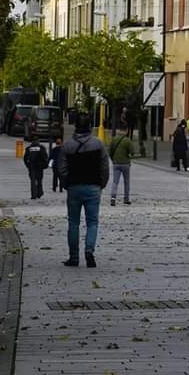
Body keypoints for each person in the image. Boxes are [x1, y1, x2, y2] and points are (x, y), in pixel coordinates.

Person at [57, 113, 110, 268]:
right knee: (92, 222)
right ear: (89, 127)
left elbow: (61, 168)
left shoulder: (68, 146)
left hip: (74, 187)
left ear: (76, 127)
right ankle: (89, 250)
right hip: (93, 187)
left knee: (73, 223)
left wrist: (66, 183)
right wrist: (102, 184)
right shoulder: (98, 145)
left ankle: (74, 257)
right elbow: (105, 167)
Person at [109, 125, 135, 204]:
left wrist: (113, 159)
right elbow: (132, 152)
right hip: (125, 164)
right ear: (126, 131)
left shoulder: (114, 139)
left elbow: (110, 151)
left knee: (115, 181)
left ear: (118, 130)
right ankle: (126, 199)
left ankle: (113, 198)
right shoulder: (127, 141)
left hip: (116, 163)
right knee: (126, 182)